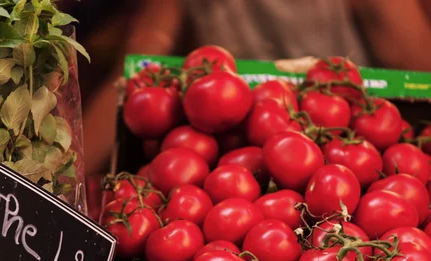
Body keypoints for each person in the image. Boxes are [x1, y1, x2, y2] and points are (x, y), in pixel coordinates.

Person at [77, 0, 431, 176]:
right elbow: (136, 68)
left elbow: (419, 75)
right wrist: (63, 177)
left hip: (358, 153)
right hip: (236, 151)